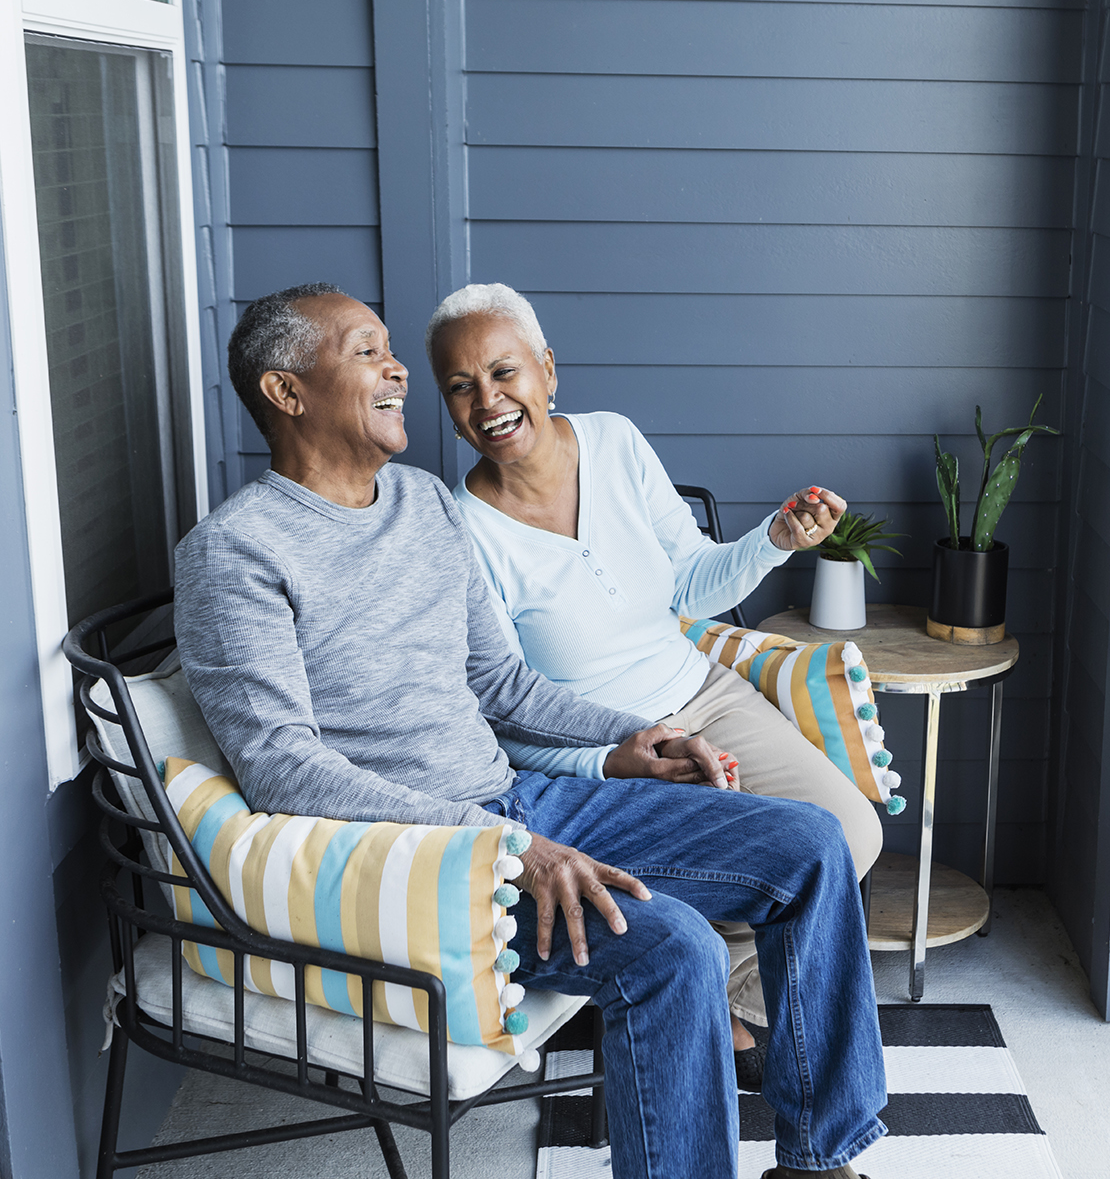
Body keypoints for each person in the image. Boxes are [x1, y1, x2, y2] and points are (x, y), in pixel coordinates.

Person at [174, 283, 885, 1179]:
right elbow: (282, 770)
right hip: (425, 859)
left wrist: (640, 733)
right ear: (287, 393)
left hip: (520, 804)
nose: (398, 369)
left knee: (814, 844)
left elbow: (502, 684)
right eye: (366, 351)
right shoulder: (235, 553)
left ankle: (818, 1163)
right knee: (674, 952)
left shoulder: (423, 505)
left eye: (392, 350)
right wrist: (506, 844)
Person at [424, 283, 884, 1084]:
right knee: (753, 872)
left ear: (548, 369)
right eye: (462, 387)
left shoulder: (615, 442)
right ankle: (724, 1010)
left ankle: (732, 999)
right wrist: (614, 756)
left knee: (853, 833)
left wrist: (772, 541)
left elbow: (689, 587)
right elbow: (502, 710)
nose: (488, 401)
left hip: (703, 691)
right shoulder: (460, 529)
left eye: (504, 373)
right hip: (603, 751)